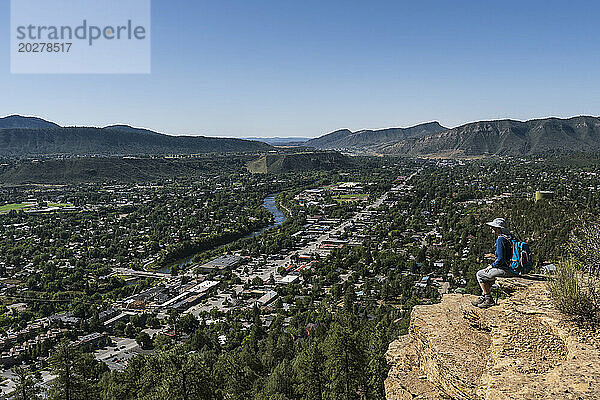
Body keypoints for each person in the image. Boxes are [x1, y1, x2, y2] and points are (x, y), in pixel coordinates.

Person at [471, 218, 517, 308]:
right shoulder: (510, 237)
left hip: (506, 269)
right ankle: (484, 296)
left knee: (480, 274)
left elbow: (500, 260)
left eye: (494, 228)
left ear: (499, 229)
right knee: (487, 276)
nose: (492, 230)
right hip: (513, 268)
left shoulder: (501, 240)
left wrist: (491, 266)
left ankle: (488, 298)